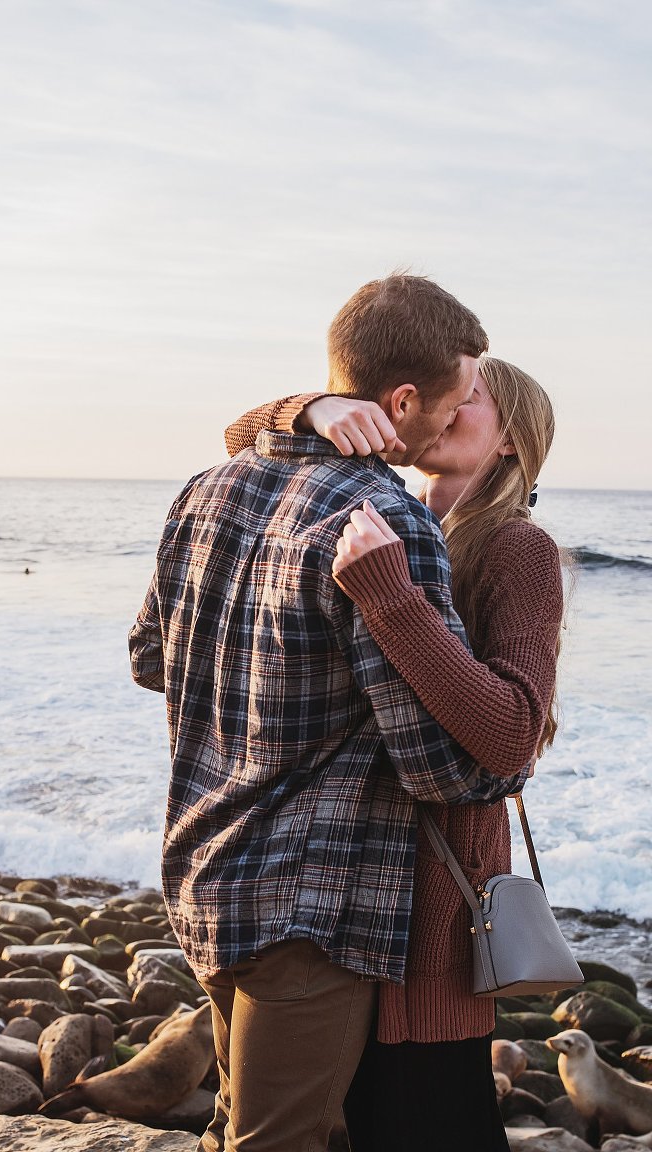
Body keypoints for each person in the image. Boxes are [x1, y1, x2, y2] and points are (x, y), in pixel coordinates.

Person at [129, 274, 531, 1152]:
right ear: (403, 401)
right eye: (461, 394)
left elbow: (150, 659)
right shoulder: (387, 520)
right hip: (311, 901)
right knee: (280, 1139)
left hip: (204, 865)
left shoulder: (204, 488)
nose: (459, 413)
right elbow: (446, 768)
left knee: (236, 1124)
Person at [224, 355, 562, 1151]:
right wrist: (314, 409)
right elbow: (242, 438)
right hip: (337, 890)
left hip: (427, 910)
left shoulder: (518, 548)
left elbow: (513, 733)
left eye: (468, 398)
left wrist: (389, 596)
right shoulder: (390, 514)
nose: (443, 406)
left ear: (511, 440)